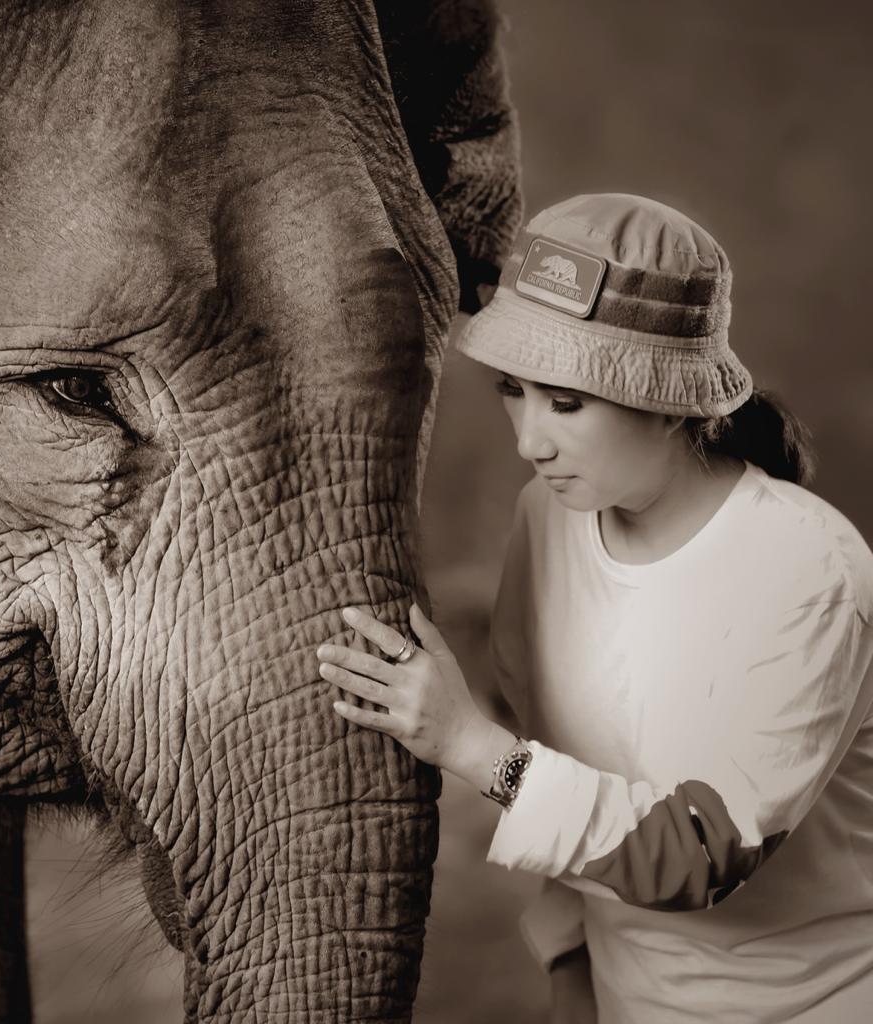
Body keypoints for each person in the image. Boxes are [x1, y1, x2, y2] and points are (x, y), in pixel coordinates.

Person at [316, 193, 873, 1023]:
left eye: (567, 403)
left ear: (673, 399)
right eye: (514, 391)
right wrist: (570, 963)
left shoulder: (813, 574)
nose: (529, 441)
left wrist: (469, 745)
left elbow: (694, 856)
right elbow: (561, 755)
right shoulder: (547, 519)